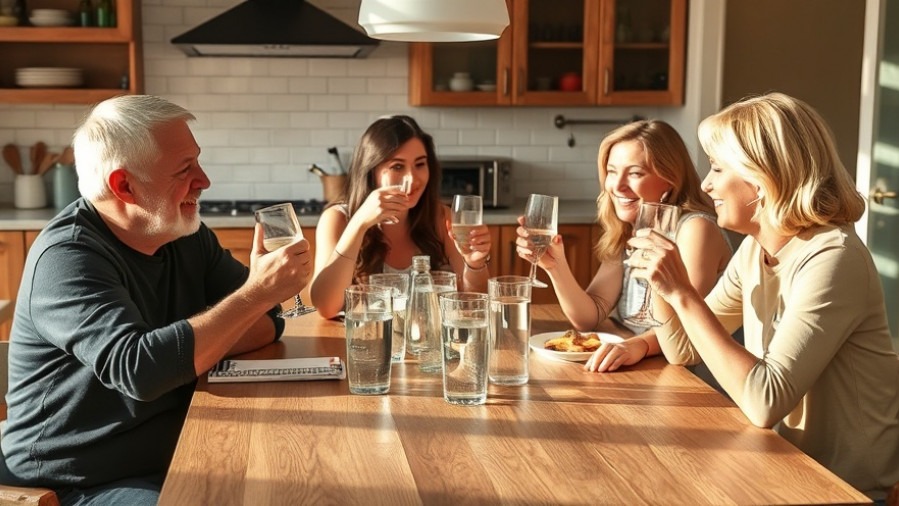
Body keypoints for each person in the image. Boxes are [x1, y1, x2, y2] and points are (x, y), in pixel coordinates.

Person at [0, 95, 310, 505]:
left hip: (180, 448)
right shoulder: (66, 258)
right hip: (75, 480)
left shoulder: (183, 231)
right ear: (124, 185)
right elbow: (141, 371)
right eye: (185, 169)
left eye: (197, 161)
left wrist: (219, 325)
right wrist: (250, 298)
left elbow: (269, 320)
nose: (204, 180)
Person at [628, 92, 899, 500]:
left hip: (843, 490)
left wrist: (683, 293)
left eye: (718, 168)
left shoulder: (833, 259)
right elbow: (682, 350)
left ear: (763, 177)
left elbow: (764, 401)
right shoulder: (757, 250)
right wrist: (663, 284)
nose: (706, 183)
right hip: (780, 465)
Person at [516, 120, 732, 372]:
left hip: (695, 378)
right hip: (651, 368)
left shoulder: (696, 229)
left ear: (670, 180)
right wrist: (555, 266)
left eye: (635, 173)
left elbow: (686, 325)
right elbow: (589, 317)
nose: (617, 186)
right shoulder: (630, 229)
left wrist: (637, 345)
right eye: (612, 171)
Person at [311, 115, 491, 318]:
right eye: (397, 166)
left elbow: (475, 303)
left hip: (427, 344)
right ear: (372, 171)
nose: (412, 178)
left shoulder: (441, 217)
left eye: (420, 164)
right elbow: (326, 307)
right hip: (366, 343)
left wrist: (474, 264)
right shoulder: (338, 219)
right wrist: (360, 224)